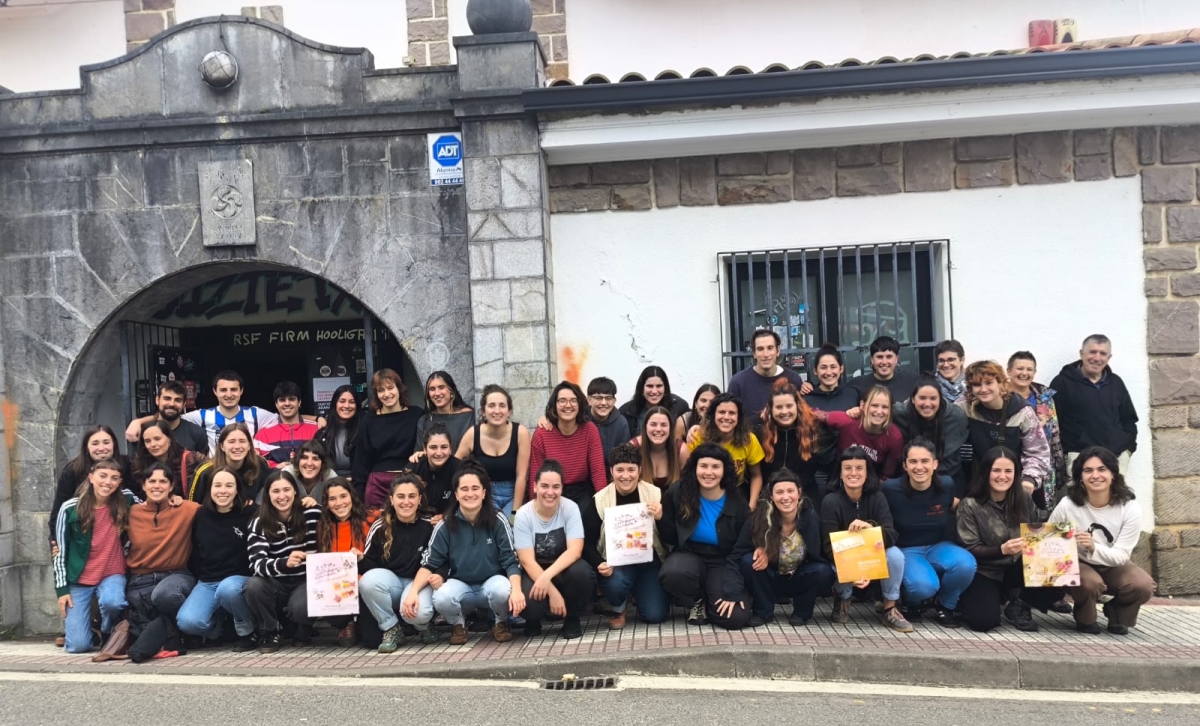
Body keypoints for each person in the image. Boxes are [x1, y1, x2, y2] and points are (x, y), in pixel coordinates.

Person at [406, 462, 524, 645]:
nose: (470, 494)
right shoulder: (445, 524)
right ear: (456, 494)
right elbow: (429, 562)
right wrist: (413, 592)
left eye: (475, 488)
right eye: (464, 489)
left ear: (484, 493)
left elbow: (510, 560)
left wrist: (517, 590)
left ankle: (500, 622)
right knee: (441, 596)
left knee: (503, 589)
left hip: (491, 583)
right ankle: (458, 624)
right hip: (460, 585)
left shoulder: (498, 520)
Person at [1049, 446, 1155, 635]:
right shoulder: (1068, 504)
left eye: (1102, 469)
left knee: (1143, 585)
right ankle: (1085, 619)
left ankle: (1117, 612)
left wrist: (1093, 547)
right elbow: (1048, 540)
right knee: (1090, 582)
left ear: (1113, 474)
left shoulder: (1130, 507)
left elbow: (1121, 556)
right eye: (1088, 470)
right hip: (1079, 562)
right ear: (1080, 477)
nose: (1095, 475)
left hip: (1113, 562)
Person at [883, 438, 976, 627]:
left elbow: (956, 507)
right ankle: (912, 602)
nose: (919, 467)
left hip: (938, 545)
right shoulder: (890, 489)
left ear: (935, 464)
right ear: (905, 466)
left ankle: (945, 605)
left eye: (925, 461)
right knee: (924, 586)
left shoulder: (946, 484)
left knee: (966, 564)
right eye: (913, 461)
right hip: (906, 549)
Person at [658, 444, 753, 630]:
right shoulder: (678, 492)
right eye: (703, 466)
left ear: (724, 471)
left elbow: (741, 549)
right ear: (694, 468)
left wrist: (733, 589)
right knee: (672, 573)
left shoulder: (738, 502)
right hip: (689, 555)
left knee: (735, 618)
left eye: (716, 467)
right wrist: (661, 519)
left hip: (724, 561)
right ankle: (697, 600)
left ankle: (711, 601)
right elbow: (671, 538)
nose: (709, 472)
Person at [820, 446, 911, 632]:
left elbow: (891, 534)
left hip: (872, 555)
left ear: (867, 473)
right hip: (844, 557)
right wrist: (853, 572)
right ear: (840, 473)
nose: (853, 473)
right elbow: (828, 548)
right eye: (848, 468)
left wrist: (871, 529)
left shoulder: (878, 497)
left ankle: (890, 608)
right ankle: (843, 598)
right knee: (831, 566)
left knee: (895, 555)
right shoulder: (830, 501)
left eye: (859, 468)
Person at [729, 469, 835, 627]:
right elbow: (736, 555)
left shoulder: (810, 516)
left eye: (790, 491)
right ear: (771, 496)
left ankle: (802, 612)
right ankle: (763, 611)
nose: (785, 497)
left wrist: (852, 572)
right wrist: (760, 549)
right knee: (748, 560)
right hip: (770, 577)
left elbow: (825, 551)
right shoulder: (758, 518)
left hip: (799, 576)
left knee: (823, 571)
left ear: (799, 493)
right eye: (779, 492)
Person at [581, 443, 670, 629]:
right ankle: (618, 608)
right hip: (617, 564)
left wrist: (661, 518)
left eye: (631, 469)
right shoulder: (600, 500)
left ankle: (641, 592)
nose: (626, 475)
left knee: (656, 615)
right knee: (616, 583)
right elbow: (586, 542)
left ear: (639, 470)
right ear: (611, 471)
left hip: (649, 563)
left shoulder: (655, 494)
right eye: (620, 470)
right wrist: (599, 563)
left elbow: (672, 536)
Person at [956, 446, 1042, 633]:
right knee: (983, 622)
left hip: (1017, 566)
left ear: (1016, 474)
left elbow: (1038, 527)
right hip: (985, 570)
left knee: (1059, 569)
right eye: (996, 470)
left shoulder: (1023, 498)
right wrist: (1001, 549)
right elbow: (969, 548)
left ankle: (1020, 604)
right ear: (985, 472)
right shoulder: (969, 504)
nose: (1002, 476)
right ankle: (991, 597)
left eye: (1008, 471)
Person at [53, 459, 134, 653]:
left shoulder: (127, 498)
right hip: (79, 578)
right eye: (102, 476)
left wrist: (173, 499)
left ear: (119, 482)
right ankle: (89, 631)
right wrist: (62, 590)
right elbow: (60, 552)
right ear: (91, 478)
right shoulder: (70, 508)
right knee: (78, 646)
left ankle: (105, 631)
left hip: (112, 572)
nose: (108, 482)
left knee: (113, 602)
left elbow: (150, 504)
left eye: (114, 478)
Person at [513, 461, 596, 640]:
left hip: (563, 568)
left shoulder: (570, 508)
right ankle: (534, 619)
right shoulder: (523, 514)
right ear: (534, 487)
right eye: (544, 486)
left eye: (556, 487)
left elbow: (575, 551)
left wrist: (546, 577)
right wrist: (552, 592)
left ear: (561, 488)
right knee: (529, 601)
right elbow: (526, 560)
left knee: (583, 573)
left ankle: (572, 617)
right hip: (534, 570)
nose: (550, 492)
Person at [175, 466, 256, 650]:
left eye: (229, 485)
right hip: (208, 582)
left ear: (237, 489)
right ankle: (221, 629)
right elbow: (195, 551)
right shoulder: (201, 514)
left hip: (240, 580)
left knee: (228, 588)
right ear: (209, 488)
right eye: (217, 485)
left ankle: (248, 631)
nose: (223, 491)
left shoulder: (251, 512)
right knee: (187, 622)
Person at [125, 463, 200, 655]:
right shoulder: (131, 513)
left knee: (165, 595)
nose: (157, 486)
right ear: (143, 485)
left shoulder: (186, 509)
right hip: (140, 581)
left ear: (171, 486)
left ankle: (185, 633)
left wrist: (248, 505)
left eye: (163, 481)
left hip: (176, 576)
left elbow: (220, 509)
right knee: (141, 620)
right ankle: (171, 637)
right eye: (152, 481)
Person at [244, 469, 321, 653]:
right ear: (267, 495)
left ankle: (303, 627)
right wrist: (284, 563)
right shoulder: (259, 522)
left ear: (295, 491)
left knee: (300, 607)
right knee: (253, 585)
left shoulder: (313, 513)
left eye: (286, 490)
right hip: (277, 582)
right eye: (275, 491)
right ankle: (270, 631)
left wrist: (317, 503)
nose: (282, 496)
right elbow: (256, 564)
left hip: (307, 580)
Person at [360, 474, 438, 652]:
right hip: (392, 584)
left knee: (418, 614)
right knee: (367, 582)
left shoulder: (430, 525)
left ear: (419, 499)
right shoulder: (380, 526)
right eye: (400, 496)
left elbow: (437, 561)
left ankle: (424, 626)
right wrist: (360, 560)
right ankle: (391, 628)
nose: (406, 502)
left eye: (412, 496)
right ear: (392, 500)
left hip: (420, 583)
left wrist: (417, 589)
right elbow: (371, 567)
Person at [126, 370, 280, 455]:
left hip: (248, 473)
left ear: (241, 391)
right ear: (215, 391)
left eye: (233, 389)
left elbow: (286, 417)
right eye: (223, 390)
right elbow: (170, 414)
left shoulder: (256, 414)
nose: (229, 394)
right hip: (216, 477)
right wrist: (137, 422)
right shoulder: (203, 416)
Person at [1049, 335, 1139, 476]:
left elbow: (1129, 419)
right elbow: (1051, 423)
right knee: (1080, 492)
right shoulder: (1061, 383)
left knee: (1116, 492)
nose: (1097, 358)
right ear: (1081, 354)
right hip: (1079, 458)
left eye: (1103, 353)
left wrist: (1127, 450)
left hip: (1115, 458)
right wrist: (1065, 453)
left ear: (1109, 357)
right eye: (1092, 352)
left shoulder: (1116, 383)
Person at [958, 361, 1051, 498]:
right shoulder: (964, 408)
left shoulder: (1023, 412)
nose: (983, 389)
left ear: (1001, 383)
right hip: (980, 484)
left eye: (989, 383)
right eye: (977, 385)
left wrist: (1029, 479)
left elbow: (1038, 451)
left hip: (1018, 484)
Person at [309, 478, 373, 647]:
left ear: (352, 496)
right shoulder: (323, 527)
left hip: (365, 581)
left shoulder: (371, 519)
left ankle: (361, 623)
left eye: (343, 496)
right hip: (337, 587)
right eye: (332, 499)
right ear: (326, 503)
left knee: (371, 638)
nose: (339, 503)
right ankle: (345, 623)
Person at [528, 381, 608, 510]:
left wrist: (605, 507)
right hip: (551, 489)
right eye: (562, 401)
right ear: (554, 405)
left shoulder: (590, 430)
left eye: (573, 400)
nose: (568, 405)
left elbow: (598, 472)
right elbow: (535, 474)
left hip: (581, 490)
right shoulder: (542, 433)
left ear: (580, 404)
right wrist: (534, 508)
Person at [354, 369, 425, 509]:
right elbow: (360, 462)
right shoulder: (368, 421)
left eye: (390, 388)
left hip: (408, 483)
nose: (387, 394)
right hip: (377, 485)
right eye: (381, 390)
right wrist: (358, 499)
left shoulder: (417, 415)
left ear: (399, 388)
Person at [1007, 352, 1070, 509]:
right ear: (1009, 371)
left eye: (1029, 369)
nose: (1024, 373)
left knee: (1040, 513)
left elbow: (1054, 433)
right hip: (1009, 464)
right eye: (1020, 368)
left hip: (1042, 466)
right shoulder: (1001, 397)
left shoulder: (1045, 397)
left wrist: (1059, 467)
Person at [50, 426, 133, 546]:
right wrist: (56, 541)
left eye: (106, 442)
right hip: (83, 539)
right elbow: (59, 508)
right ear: (87, 447)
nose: (101, 448)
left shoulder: (127, 465)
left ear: (114, 444)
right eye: (95, 443)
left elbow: (140, 500)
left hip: (118, 539)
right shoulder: (73, 470)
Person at [456, 384, 531, 517]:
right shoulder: (473, 434)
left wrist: (515, 513)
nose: (497, 411)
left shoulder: (521, 433)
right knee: (489, 526)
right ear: (483, 411)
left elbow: (522, 476)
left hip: (513, 494)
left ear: (509, 411)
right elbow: (453, 465)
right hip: (485, 495)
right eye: (491, 406)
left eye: (502, 405)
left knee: (510, 526)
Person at [892, 376, 970, 495]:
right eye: (922, 398)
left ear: (940, 399)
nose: (927, 404)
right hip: (910, 476)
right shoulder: (898, 414)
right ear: (913, 399)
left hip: (949, 475)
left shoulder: (956, 417)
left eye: (933, 398)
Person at [687, 392, 765, 507]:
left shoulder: (749, 440)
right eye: (722, 412)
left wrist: (752, 505)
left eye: (732, 413)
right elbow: (688, 473)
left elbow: (756, 475)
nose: (726, 417)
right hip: (702, 493)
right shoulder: (698, 437)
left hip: (736, 493)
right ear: (713, 415)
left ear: (739, 417)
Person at [802, 345, 859, 499]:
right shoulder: (806, 398)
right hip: (815, 470)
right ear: (815, 371)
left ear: (841, 369)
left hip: (846, 467)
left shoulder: (852, 394)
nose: (828, 372)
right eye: (823, 367)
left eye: (833, 367)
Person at [756, 381, 824, 503]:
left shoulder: (814, 431)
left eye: (789, 406)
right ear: (770, 409)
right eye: (778, 407)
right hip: (769, 498)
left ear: (797, 406)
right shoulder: (759, 432)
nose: (784, 412)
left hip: (806, 499)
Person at [818, 385, 904, 479]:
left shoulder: (894, 436)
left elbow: (887, 475)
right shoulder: (847, 421)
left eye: (885, 407)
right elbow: (812, 414)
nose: (879, 411)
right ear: (862, 405)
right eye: (874, 405)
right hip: (840, 480)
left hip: (872, 483)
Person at [727, 329, 808, 420]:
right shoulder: (738, 382)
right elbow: (731, 417)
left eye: (770, 348)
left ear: (778, 351)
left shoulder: (793, 379)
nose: (766, 354)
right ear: (754, 353)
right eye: (760, 349)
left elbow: (801, 417)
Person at [187, 423, 271, 505]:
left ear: (249, 445)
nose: (237, 446)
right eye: (231, 442)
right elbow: (192, 505)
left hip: (251, 513)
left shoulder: (260, 464)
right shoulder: (205, 471)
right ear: (222, 446)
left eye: (242, 441)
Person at [132, 420, 207, 499]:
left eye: (157, 439)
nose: (152, 444)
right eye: (147, 441)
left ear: (169, 439)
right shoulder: (139, 465)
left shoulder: (192, 459)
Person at [254, 381, 320, 468]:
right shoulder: (263, 434)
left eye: (292, 399)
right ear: (276, 404)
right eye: (282, 400)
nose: (287, 403)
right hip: (276, 476)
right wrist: (276, 467)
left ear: (299, 402)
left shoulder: (316, 429)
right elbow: (255, 461)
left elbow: (325, 457)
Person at [618, 366, 690, 438]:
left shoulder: (679, 406)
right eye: (650, 386)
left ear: (665, 388)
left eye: (659, 386)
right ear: (642, 388)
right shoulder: (627, 412)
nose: (654, 391)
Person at [409, 423, 462, 520]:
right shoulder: (414, 468)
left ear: (450, 449)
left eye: (444, 447)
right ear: (425, 449)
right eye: (433, 447)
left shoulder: (460, 469)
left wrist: (447, 517)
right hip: (419, 520)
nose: (439, 453)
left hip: (451, 521)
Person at [847, 336, 920, 404]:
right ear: (872, 360)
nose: (884, 362)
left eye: (889, 357)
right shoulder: (857, 385)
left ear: (896, 359)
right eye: (879, 357)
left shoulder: (913, 381)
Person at [415, 370, 475, 452]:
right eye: (432, 389)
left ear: (451, 390)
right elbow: (419, 452)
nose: (437, 393)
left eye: (441, 387)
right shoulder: (424, 421)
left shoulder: (469, 416)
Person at [631, 405, 688, 489]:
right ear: (645, 427)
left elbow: (688, 485)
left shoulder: (681, 450)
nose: (658, 429)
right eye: (653, 424)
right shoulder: (633, 448)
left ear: (670, 428)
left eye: (663, 425)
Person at [312, 384, 360, 478]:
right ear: (335, 404)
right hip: (330, 483)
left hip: (359, 483)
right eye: (342, 401)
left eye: (352, 402)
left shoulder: (365, 431)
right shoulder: (322, 434)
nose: (347, 406)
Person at [276, 440, 336, 507]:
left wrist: (317, 506)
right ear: (298, 460)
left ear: (323, 463)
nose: (309, 463)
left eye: (315, 459)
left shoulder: (330, 477)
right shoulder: (287, 473)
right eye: (305, 458)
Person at [586, 376, 631, 462]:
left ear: (614, 401)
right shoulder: (580, 420)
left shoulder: (621, 423)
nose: (603, 403)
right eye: (598, 398)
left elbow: (623, 458)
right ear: (589, 400)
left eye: (608, 398)